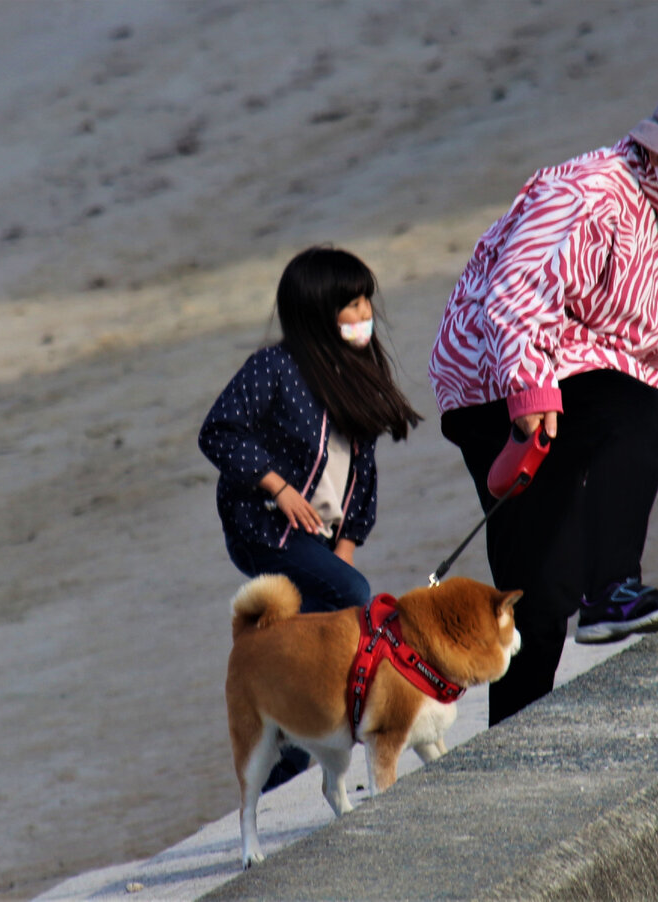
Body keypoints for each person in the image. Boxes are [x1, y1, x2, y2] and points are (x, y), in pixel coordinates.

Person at [428, 80, 658, 726]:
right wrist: (530, 388)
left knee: (540, 588)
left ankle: (513, 743)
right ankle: (612, 591)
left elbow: (628, 344)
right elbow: (517, 292)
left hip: (562, 377)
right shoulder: (589, 193)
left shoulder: (656, 211)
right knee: (641, 418)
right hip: (500, 382)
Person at [200, 246, 422, 782]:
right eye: (350, 304)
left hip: (320, 538)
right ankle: (324, 730)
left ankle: (290, 750)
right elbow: (218, 432)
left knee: (329, 627)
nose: (364, 313)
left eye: (366, 301)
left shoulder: (359, 369)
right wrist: (277, 488)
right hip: (262, 527)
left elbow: (362, 472)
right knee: (354, 597)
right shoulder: (273, 368)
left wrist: (345, 545)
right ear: (316, 313)